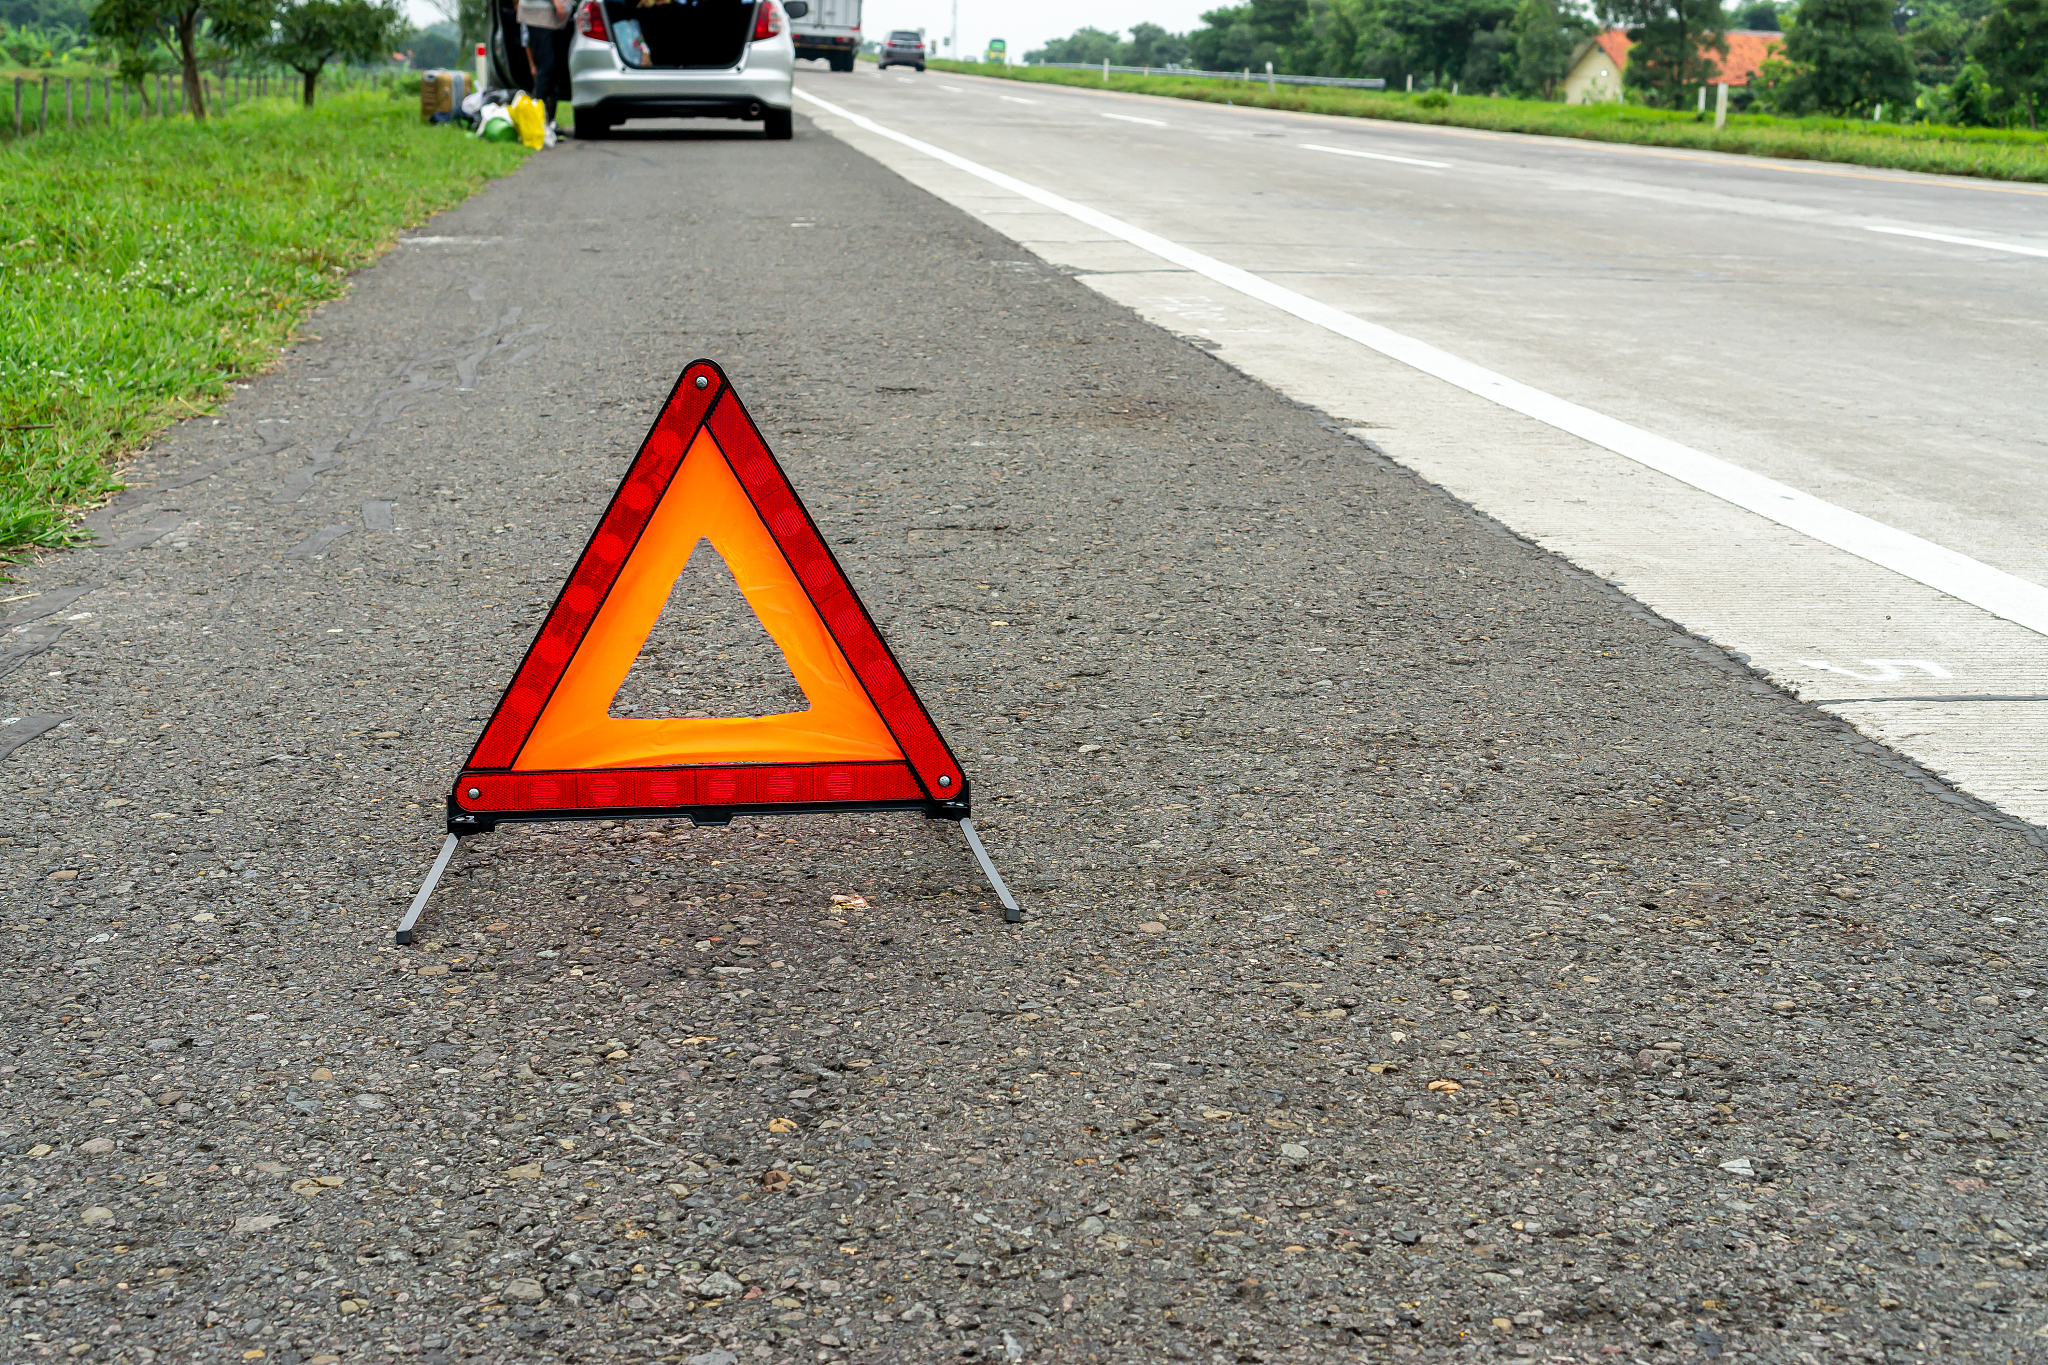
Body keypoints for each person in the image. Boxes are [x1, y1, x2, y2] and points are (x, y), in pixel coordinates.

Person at [518, 0, 572, 138]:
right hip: (540, 16)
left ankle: (549, 121)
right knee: (546, 69)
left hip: (552, 17)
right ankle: (536, 121)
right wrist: (556, 1)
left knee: (553, 70)